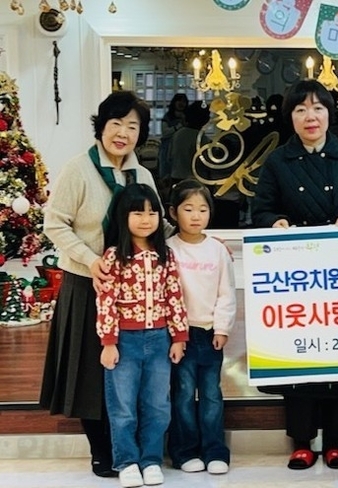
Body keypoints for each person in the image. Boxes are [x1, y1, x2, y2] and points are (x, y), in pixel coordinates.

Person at [251, 79, 338, 470]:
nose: (311, 116)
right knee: (299, 355)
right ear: (290, 117)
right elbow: (261, 211)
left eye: (318, 108)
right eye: (301, 109)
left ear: (330, 113)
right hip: (297, 276)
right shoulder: (277, 161)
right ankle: (302, 440)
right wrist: (276, 222)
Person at [39, 91, 169, 478]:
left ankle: (133, 447)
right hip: (87, 284)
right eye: (116, 123)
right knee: (93, 372)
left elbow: (158, 225)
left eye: (133, 126)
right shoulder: (79, 169)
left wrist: (199, 242)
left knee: (130, 375)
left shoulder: (142, 176)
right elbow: (54, 223)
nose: (123, 133)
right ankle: (101, 450)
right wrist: (90, 259)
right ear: (101, 127)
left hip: (135, 292)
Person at [96, 183, 188, 488]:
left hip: (160, 340)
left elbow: (174, 296)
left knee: (158, 405)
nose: (146, 219)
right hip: (124, 341)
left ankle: (151, 460)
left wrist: (179, 337)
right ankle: (126, 461)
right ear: (123, 216)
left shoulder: (165, 255)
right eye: (138, 212)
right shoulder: (114, 256)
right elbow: (106, 301)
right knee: (123, 407)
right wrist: (109, 343)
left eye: (152, 213)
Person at [166, 180, 236, 475]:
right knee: (182, 394)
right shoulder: (168, 249)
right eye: (188, 209)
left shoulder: (217, 250)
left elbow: (226, 291)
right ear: (173, 212)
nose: (196, 216)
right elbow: (166, 295)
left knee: (211, 395)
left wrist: (222, 328)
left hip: (209, 334)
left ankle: (215, 450)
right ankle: (184, 452)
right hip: (179, 335)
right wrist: (175, 333)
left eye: (203, 209)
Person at [168, 101, 210, 185]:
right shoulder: (202, 138)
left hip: (176, 177)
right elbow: (206, 163)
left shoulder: (177, 134)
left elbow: (169, 157)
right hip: (196, 180)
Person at [159, 93, 188, 179]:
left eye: (184, 101)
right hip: (167, 147)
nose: (181, 103)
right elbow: (165, 132)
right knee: (166, 171)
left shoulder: (188, 117)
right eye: (179, 101)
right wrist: (178, 126)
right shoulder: (168, 116)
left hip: (182, 148)